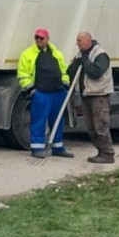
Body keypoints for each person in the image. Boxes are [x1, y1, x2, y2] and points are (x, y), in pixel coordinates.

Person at [17, 27, 72, 158]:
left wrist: (65, 84)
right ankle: (37, 148)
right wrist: (32, 90)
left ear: (47, 39)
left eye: (41, 38)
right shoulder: (27, 54)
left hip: (58, 92)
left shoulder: (56, 53)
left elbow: (64, 70)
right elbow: (22, 74)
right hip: (41, 93)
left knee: (58, 120)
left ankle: (58, 147)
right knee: (39, 120)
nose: (38, 40)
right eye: (36, 37)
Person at [73, 31, 115, 164]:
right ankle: (100, 151)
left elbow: (95, 72)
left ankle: (107, 153)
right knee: (90, 127)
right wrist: (76, 63)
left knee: (100, 125)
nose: (77, 43)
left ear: (88, 41)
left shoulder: (100, 55)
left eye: (79, 40)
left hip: (99, 95)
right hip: (86, 94)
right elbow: (71, 71)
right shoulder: (81, 55)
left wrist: (84, 62)